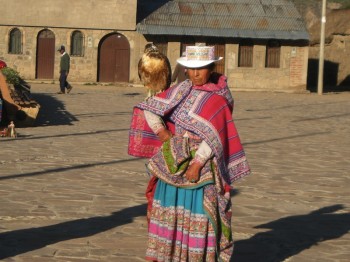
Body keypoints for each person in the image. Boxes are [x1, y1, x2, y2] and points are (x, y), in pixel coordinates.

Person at [128, 46, 250, 261]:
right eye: (191, 69)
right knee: (169, 212)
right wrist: (163, 132)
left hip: (201, 168)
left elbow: (215, 136)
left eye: (201, 69)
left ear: (211, 68)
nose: (195, 74)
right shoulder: (179, 90)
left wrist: (197, 163)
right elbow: (149, 107)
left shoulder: (219, 98)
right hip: (172, 164)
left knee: (200, 214)